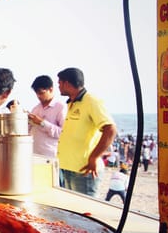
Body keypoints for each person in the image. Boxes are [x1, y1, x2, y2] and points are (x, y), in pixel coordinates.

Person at [56, 67, 118, 197]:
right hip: (68, 168)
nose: (58, 86)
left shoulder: (91, 101)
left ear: (67, 83)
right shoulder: (72, 103)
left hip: (84, 170)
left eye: (59, 83)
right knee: (72, 211)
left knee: (84, 212)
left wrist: (94, 157)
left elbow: (110, 129)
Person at [27, 75, 67, 158]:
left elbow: (64, 133)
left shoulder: (60, 107)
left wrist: (42, 123)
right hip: (34, 155)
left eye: (41, 93)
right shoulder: (36, 108)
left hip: (51, 156)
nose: (39, 96)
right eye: (37, 93)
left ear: (51, 89)